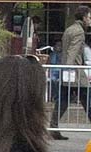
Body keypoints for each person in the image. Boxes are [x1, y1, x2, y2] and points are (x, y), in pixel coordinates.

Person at [49, 6, 91, 140]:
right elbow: (72, 52)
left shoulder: (69, 29)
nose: (90, 20)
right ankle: (53, 128)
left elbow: (65, 50)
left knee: (62, 101)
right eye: (89, 17)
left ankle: (53, 127)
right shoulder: (79, 32)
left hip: (68, 71)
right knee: (88, 99)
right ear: (84, 18)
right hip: (75, 72)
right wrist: (69, 68)